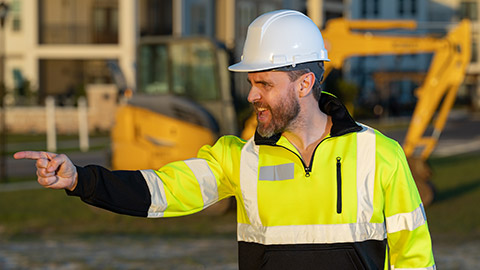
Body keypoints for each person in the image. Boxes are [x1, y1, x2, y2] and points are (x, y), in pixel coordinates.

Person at [14, 10, 435, 270]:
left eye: (264, 84)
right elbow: (160, 191)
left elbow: (413, 257)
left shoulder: (379, 154)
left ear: (305, 82)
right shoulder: (238, 157)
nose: (252, 95)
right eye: (251, 84)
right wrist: (78, 179)